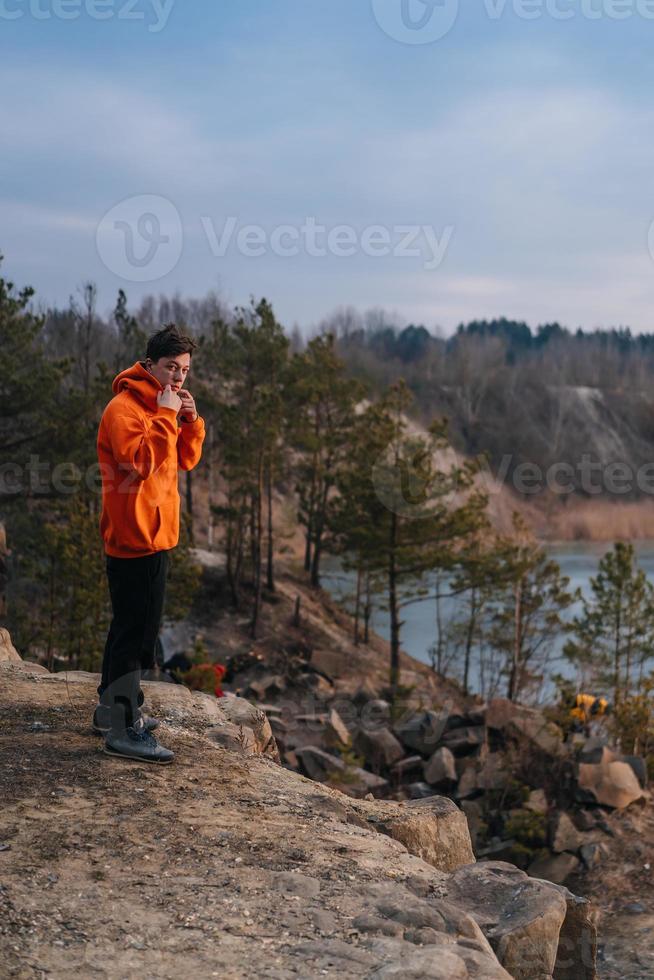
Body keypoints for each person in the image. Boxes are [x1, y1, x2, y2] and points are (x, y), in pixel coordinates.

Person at [94, 324, 205, 763]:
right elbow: (139, 464)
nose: (178, 378)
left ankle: (112, 710)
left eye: (184, 371)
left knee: (129, 627)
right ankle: (123, 729)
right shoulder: (124, 409)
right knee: (135, 636)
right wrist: (165, 415)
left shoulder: (165, 405)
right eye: (170, 368)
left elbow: (185, 460)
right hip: (134, 539)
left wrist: (189, 420)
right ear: (149, 364)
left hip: (156, 536)